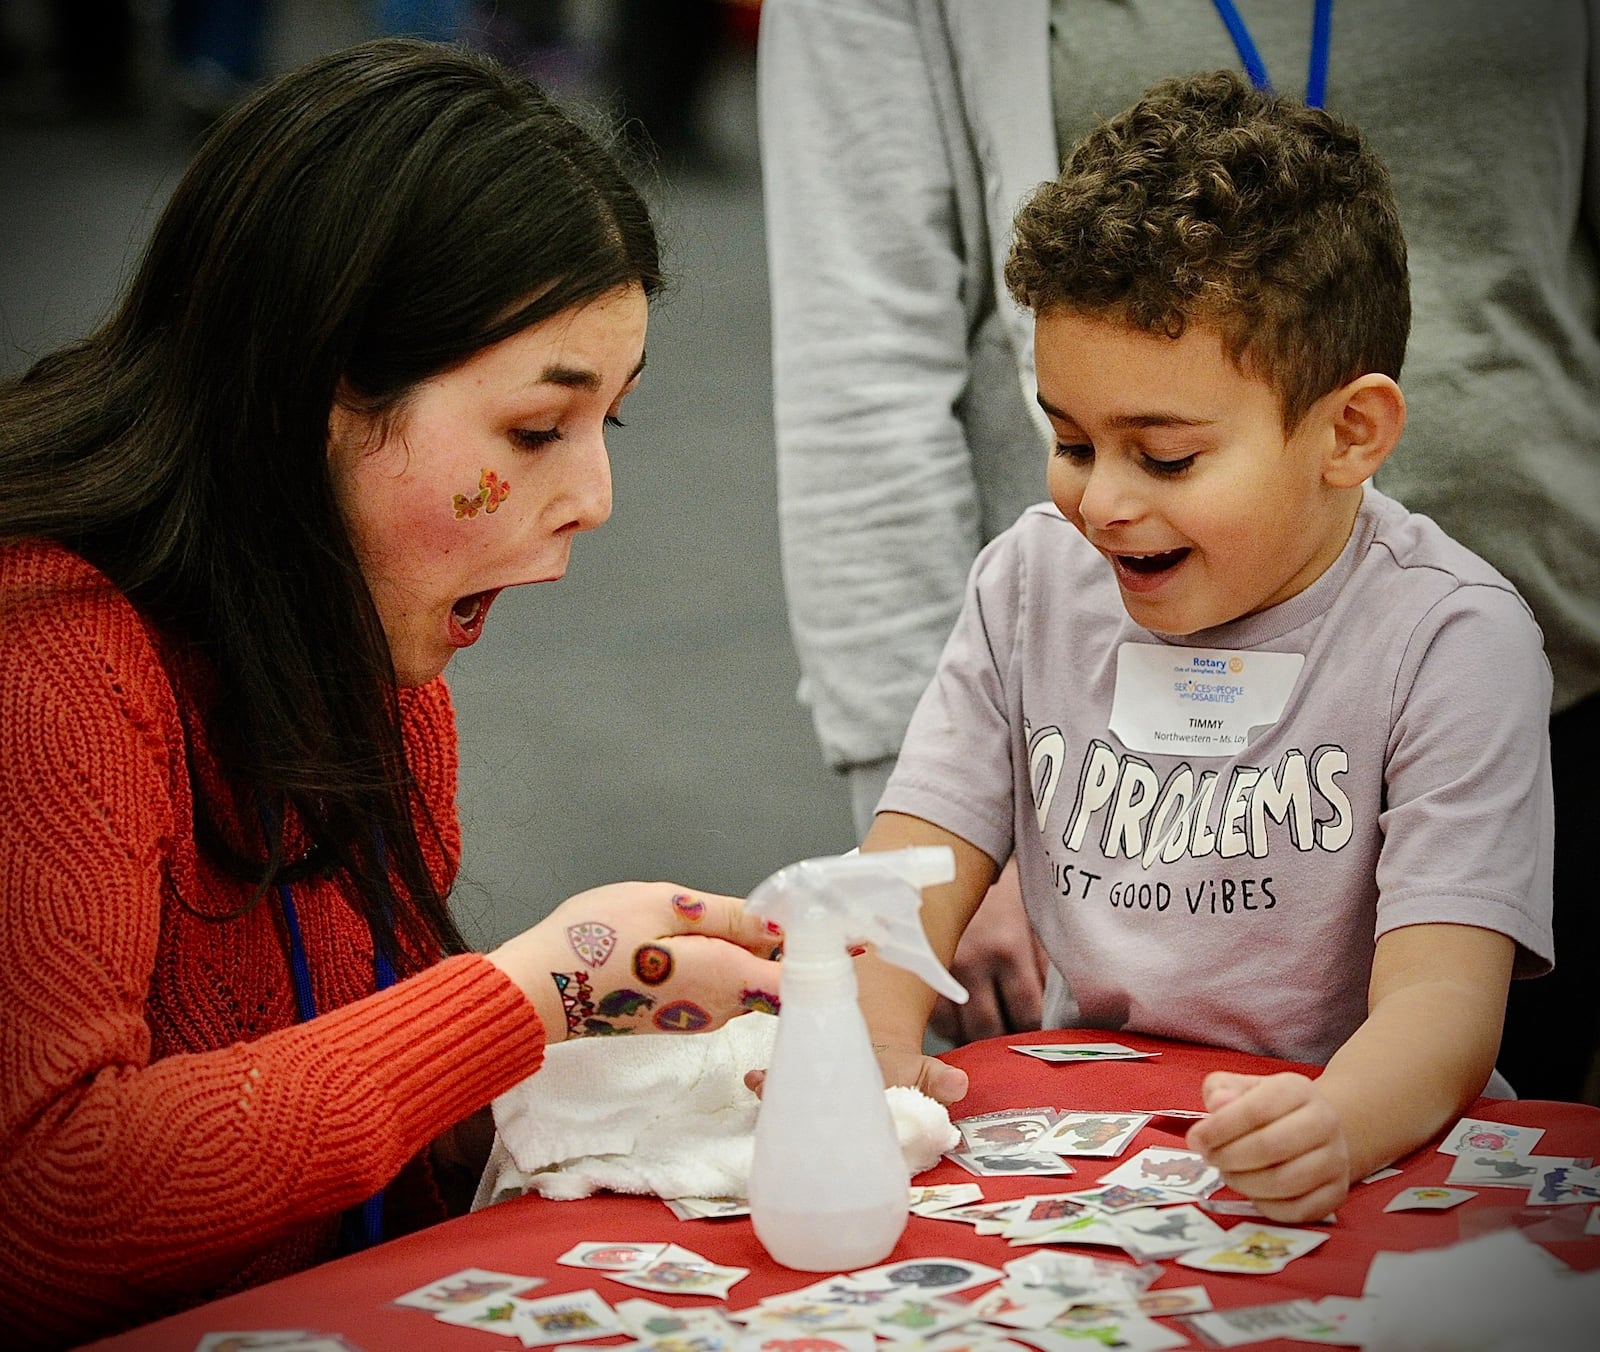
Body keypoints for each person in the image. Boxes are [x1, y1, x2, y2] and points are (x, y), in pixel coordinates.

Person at [0, 38, 781, 1350]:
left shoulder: (375, 656)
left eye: (612, 424)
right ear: (322, 393)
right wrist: (533, 992)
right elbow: (49, 1207)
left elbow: (358, 1133)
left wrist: (674, 1064)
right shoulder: (45, 659)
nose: (592, 497)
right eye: (538, 429)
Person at [758, 0, 1599, 1098]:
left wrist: (1335, 1121)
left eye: (1163, 458)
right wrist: (858, 1043)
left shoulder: (1453, 638)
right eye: (1066, 439)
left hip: (1365, 1156)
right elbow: (905, 869)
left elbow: (1444, 1000)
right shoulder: (1027, 584)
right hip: (1104, 1146)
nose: (1097, 500)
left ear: (1349, 432)